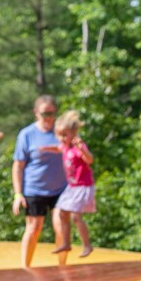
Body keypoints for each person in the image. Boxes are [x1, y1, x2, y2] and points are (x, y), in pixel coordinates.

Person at [11, 96, 67, 268]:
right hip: (34, 189)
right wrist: (18, 193)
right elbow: (18, 166)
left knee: (61, 226)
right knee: (34, 228)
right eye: (45, 114)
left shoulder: (61, 132)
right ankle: (25, 267)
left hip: (60, 189)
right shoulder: (27, 135)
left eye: (52, 113)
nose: (49, 117)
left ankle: (63, 267)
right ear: (36, 113)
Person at [51, 111, 96, 261]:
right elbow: (57, 148)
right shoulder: (64, 147)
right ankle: (66, 243)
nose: (62, 138)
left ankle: (87, 245)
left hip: (83, 186)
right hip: (72, 187)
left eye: (65, 135)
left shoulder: (78, 146)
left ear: (74, 133)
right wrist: (44, 149)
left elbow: (89, 160)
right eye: (60, 135)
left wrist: (82, 149)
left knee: (76, 216)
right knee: (62, 213)